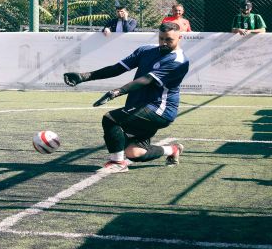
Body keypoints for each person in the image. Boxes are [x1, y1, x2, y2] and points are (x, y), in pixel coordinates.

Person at [63, 22, 189, 173]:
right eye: (161, 38)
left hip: (159, 110)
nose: (163, 43)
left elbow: (146, 80)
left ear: (180, 37)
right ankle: (173, 150)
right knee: (134, 153)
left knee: (111, 119)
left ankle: (117, 162)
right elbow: (117, 68)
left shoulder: (179, 61)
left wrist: (117, 91)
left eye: (169, 40)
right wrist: (84, 76)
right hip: (141, 106)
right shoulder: (145, 51)